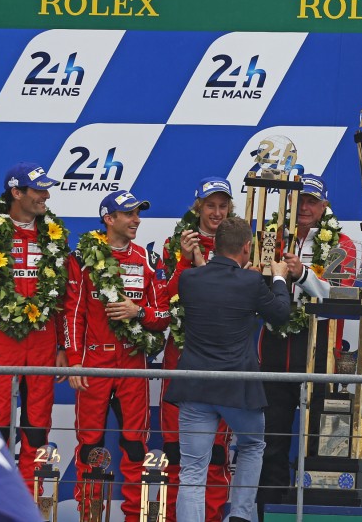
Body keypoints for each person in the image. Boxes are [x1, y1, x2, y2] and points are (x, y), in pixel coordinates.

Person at [165, 217, 291, 522]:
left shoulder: (190, 279)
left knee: (192, 470)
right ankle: (240, 517)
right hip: (238, 387)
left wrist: (198, 264)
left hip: (195, 385)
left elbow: (202, 281)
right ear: (247, 248)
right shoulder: (250, 282)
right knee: (252, 445)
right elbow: (280, 314)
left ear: (215, 246)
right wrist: (279, 278)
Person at [0, 162, 69, 490]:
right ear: (16, 192)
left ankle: (28, 505)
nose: (45, 196)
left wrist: (63, 346)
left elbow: (62, 297)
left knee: (37, 429)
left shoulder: (54, 235)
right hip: (1, 341)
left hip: (44, 341)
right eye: (38, 190)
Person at [64, 189, 171, 522]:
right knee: (90, 447)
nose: (137, 219)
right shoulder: (82, 258)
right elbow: (72, 313)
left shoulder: (147, 260)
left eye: (138, 213)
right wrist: (74, 360)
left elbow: (164, 315)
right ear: (109, 219)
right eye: (129, 214)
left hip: (132, 364)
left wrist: (138, 311)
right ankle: (90, 515)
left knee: (135, 446)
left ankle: (134, 517)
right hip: (94, 364)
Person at [257, 174, 355, 518]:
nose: (305, 208)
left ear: (324, 206)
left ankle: (316, 511)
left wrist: (303, 276)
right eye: (299, 201)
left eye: (312, 201)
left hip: (319, 349)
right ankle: (267, 509)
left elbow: (341, 296)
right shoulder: (271, 238)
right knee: (272, 439)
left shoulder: (341, 243)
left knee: (319, 438)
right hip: (274, 347)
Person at [160, 177, 234, 520]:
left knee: (217, 453)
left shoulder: (237, 244)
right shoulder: (173, 244)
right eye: (210, 206)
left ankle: (213, 516)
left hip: (223, 357)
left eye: (222, 206)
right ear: (198, 208)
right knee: (177, 449)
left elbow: (235, 295)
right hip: (182, 352)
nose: (216, 213)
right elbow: (164, 300)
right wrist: (185, 261)